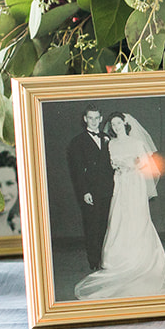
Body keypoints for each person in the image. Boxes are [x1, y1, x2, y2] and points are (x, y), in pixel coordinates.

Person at [74, 112, 165, 300]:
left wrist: (134, 166)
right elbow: (106, 165)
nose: (116, 126)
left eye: (119, 123)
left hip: (134, 185)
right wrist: (118, 169)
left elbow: (148, 166)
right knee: (119, 220)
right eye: (113, 124)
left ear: (125, 124)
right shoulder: (110, 144)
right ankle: (118, 261)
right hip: (119, 185)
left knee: (137, 219)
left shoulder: (136, 144)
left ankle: (143, 260)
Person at [67, 107, 115, 271]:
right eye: (90, 118)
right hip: (91, 192)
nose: (94, 121)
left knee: (107, 225)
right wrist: (85, 191)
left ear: (101, 119)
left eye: (96, 118)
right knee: (92, 226)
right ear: (85, 119)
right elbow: (77, 171)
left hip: (110, 189)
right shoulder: (77, 142)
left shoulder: (108, 138)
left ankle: (106, 259)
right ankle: (94, 261)